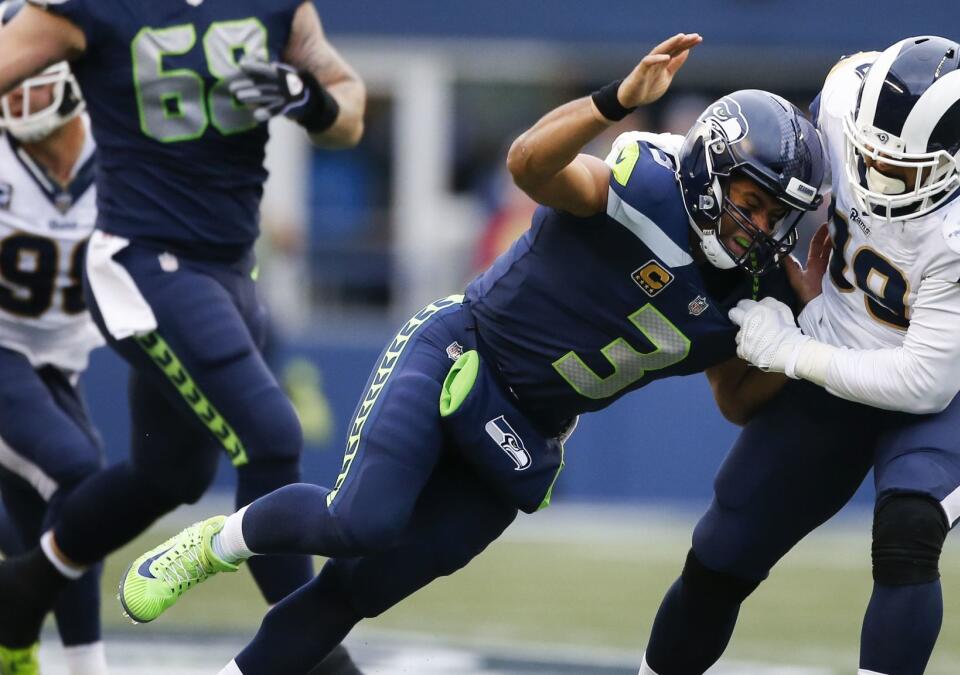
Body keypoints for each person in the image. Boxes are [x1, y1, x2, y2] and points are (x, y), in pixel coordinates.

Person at [119, 33, 829, 674]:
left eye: (775, 215)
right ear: (712, 167)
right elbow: (529, 165)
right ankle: (218, 542)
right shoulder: (645, 183)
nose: (759, 225)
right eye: (749, 199)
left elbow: (737, 399)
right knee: (360, 521)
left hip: (524, 438)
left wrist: (799, 346)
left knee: (357, 592)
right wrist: (613, 101)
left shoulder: (757, 286)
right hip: (464, 349)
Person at [640, 36, 960, 675]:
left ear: (954, 160)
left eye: (901, 170)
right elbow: (790, 183)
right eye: (868, 155)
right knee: (724, 546)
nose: (876, 175)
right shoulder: (843, 99)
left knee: (908, 531)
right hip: (839, 332)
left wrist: (794, 351)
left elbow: (923, 382)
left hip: (958, 380)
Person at [0, 1, 366, 672]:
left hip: (229, 268)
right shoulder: (91, 7)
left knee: (173, 472)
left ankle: (22, 590)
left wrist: (307, 100)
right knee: (272, 437)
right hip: (140, 261)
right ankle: (319, 659)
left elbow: (350, 109)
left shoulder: (278, 7)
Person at [0, 4, 106, 671]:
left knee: (55, 520)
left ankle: (18, 645)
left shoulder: (119, 148)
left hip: (60, 362)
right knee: (83, 477)